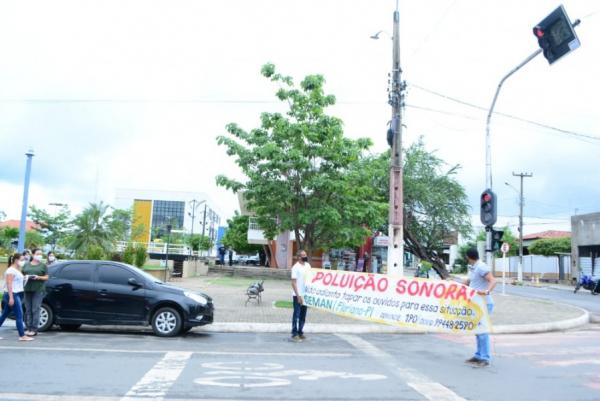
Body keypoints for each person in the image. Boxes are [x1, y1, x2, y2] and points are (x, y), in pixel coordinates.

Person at [463, 248, 496, 367]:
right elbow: (467, 283)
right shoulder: (473, 268)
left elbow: (493, 280)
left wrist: (486, 291)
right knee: (477, 330)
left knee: (482, 330)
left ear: (468, 256)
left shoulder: (481, 267)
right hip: (476, 304)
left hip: (484, 303)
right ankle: (478, 355)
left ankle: (485, 357)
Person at [0, 253, 34, 341]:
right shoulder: (11, 270)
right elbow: (9, 284)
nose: (23, 262)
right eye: (22, 260)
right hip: (13, 294)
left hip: (17, 293)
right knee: (19, 315)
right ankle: (22, 335)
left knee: (4, 315)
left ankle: (22, 335)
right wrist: (11, 297)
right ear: (16, 260)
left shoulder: (17, 270)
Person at [22, 248, 48, 336]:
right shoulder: (26, 265)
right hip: (27, 289)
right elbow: (21, 274)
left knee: (35, 309)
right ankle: (28, 328)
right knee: (28, 309)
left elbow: (46, 277)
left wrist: (38, 277)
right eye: (37, 253)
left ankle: (34, 329)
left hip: (38, 290)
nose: (39, 255)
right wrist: (25, 277)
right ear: (33, 255)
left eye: (41, 254)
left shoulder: (43, 265)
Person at [291, 249, 310, 342]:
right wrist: (298, 296)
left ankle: (300, 332)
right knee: (296, 314)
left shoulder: (308, 265)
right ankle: (294, 333)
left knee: (303, 315)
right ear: (299, 257)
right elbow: (293, 283)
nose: (305, 256)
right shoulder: (295, 267)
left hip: (305, 294)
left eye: (305, 254)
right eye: (303, 255)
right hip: (297, 295)